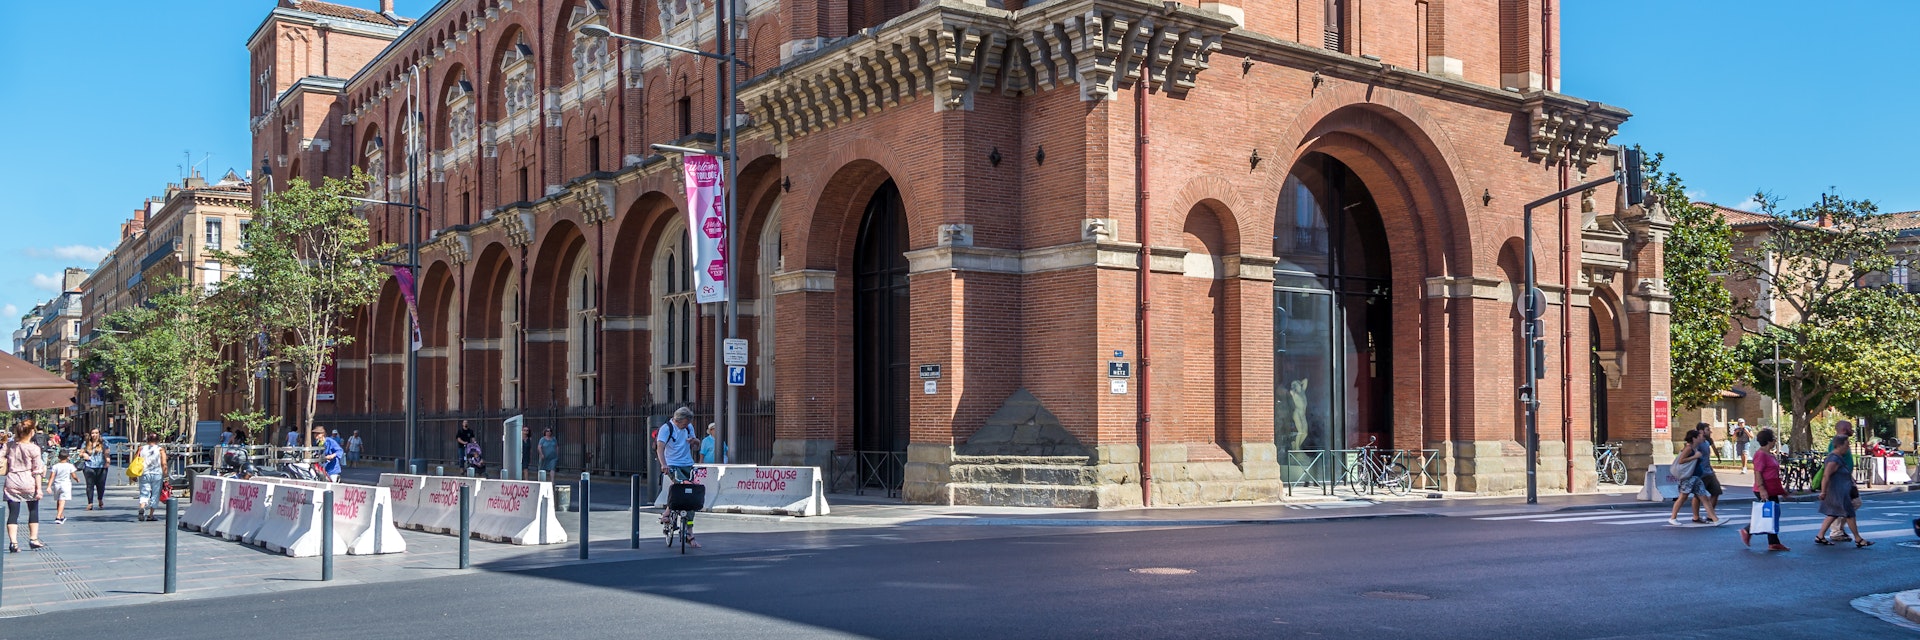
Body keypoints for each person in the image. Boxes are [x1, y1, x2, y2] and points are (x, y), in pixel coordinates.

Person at [1815, 421, 1869, 548]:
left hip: (1842, 487)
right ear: (1840, 446)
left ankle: (1821, 535)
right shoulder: (1834, 458)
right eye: (1847, 445)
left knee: (1834, 512)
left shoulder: (1838, 456)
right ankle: (1857, 538)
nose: (1848, 447)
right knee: (1849, 512)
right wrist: (1823, 491)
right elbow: (1826, 475)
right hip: (1838, 489)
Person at [654, 407, 700, 548]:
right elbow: (660, 448)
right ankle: (668, 513)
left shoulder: (688, 427)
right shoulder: (666, 429)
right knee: (682, 486)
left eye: (688, 424)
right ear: (678, 420)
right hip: (672, 464)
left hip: (688, 463)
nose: (686, 426)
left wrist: (695, 442)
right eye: (684, 423)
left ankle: (689, 532)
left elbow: (696, 447)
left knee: (691, 496)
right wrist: (664, 464)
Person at [1739, 428, 1789, 551]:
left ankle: (1773, 542)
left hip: (1772, 489)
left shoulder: (1769, 454)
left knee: (1773, 514)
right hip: (1764, 489)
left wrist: (1782, 490)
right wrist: (1762, 489)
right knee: (1769, 515)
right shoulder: (1761, 454)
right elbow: (1758, 472)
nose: (1775, 441)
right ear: (1769, 441)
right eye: (1774, 439)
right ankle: (1748, 531)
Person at [5, 422, 48, 552]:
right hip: (28, 481)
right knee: (33, 510)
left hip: (12, 480)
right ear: (31, 432)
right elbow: (37, 471)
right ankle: (33, 539)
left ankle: (14, 543)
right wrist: (39, 489)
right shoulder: (34, 448)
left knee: (13, 513)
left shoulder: (10, 446)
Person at [1667, 429, 1710, 525]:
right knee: (1683, 497)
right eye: (1699, 436)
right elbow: (1681, 461)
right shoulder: (1688, 448)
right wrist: (1695, 456)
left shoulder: (1695, 448)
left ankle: (1715, 519)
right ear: (1694, 438)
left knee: (1704, 498)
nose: (1700, 438)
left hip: (1695, 477)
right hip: (1688, 477)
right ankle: (1673, 518)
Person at [134, 433, 168, 522]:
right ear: (157, 440)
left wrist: (134, 475)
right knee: (155, 494)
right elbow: (163, 463)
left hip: (144, 473)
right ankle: (151, 514)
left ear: (147, 440)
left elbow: (135, 461)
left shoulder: (141, 449)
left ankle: (142, 507)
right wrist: (166, 474)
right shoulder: (160, 450)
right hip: (157, 474)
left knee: (144, 492)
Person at [45, 451, 77, 525]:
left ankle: (61, 515)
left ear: (58, 457)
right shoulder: (70, 466)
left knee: (59, 500)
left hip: (57, 485)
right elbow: (73, 475)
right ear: (68, 457)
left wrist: (49, 486)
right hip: (66, 485)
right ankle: (58, 517)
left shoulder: (55, 466)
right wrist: (76, 479)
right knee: (62, 501)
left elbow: (52, 476)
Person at [80, 429, 108, 511]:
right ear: (90, 434)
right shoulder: (86, 443)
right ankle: (90, 503)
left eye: (96, 433)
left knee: (101, 485)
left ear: (99, 434)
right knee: (89, 485)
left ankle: (100, 499)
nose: (94, 435)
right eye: (92, 433)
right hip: (89, 466)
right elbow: (80, 453)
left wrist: (107, 462)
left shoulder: (104, 443)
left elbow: (107, 453)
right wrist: (84, 454)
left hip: (101, 467)